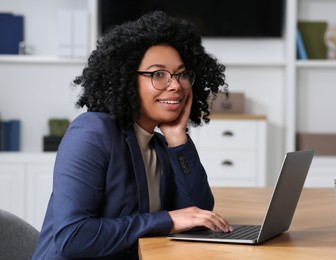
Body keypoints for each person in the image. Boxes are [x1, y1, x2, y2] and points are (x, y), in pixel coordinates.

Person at [32, 10, 232, 260]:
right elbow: (73, 237)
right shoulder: (92, 132)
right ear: (127, 79)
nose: (175, 85)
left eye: (181, 74)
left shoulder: (160, 145)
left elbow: (197, 216)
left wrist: (178, 139)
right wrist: (166, 220)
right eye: (158, 74)